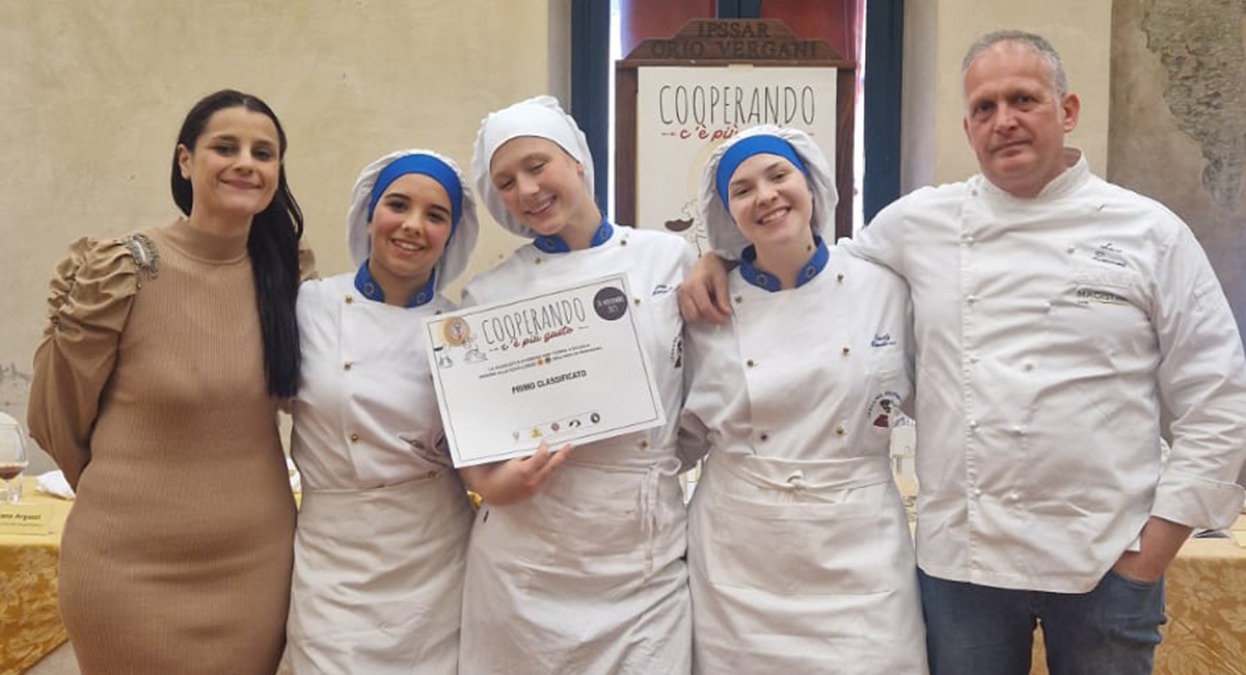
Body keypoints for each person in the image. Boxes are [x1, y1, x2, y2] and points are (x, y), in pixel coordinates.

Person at [677, 31, 1246, 675]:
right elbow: (810, 276)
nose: (1003, 121)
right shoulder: (916, 223)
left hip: (1105, 559)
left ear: (1067, 111)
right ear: (968, 127)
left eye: (1023, 99)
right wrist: (715, 256)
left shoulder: (1150, 232)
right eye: (983, 107)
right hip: (964, 571)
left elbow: (1219, 398)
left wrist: (1154, 550)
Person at [27, 89, 313, 674]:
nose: (245, 163)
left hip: (256, 571)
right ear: (186, 160)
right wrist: (132, 500)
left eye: (264, 152)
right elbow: (56, 416)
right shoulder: (120, 272)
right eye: (225, 147)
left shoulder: (287, 279)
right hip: (127, 572)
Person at [456, 95, 695, 674]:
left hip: (643, 558)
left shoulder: (670, 260)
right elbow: (472, 447)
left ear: (578, 161)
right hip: (527, 562)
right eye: (507, 182)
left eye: (538, 166)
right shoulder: (488, 297)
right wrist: (496, 483)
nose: (527, 190)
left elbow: (705, 389)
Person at [679, 125, 928, 673]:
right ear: (727, 212)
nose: (765, 196)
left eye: (777, 175)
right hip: (737, 559)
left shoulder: (885, 288)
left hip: (860, 554)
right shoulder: (706, 308)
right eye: (741, 190)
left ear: (811, 184)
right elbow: (679, 440)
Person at [285, 149, 479, 673]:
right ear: (369, 214)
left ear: (451, 234)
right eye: (398, 205)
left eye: (435, 215)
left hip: (436, 554)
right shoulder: (308, 307)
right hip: (332, 559)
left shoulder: (463, 330)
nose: (413, 226)